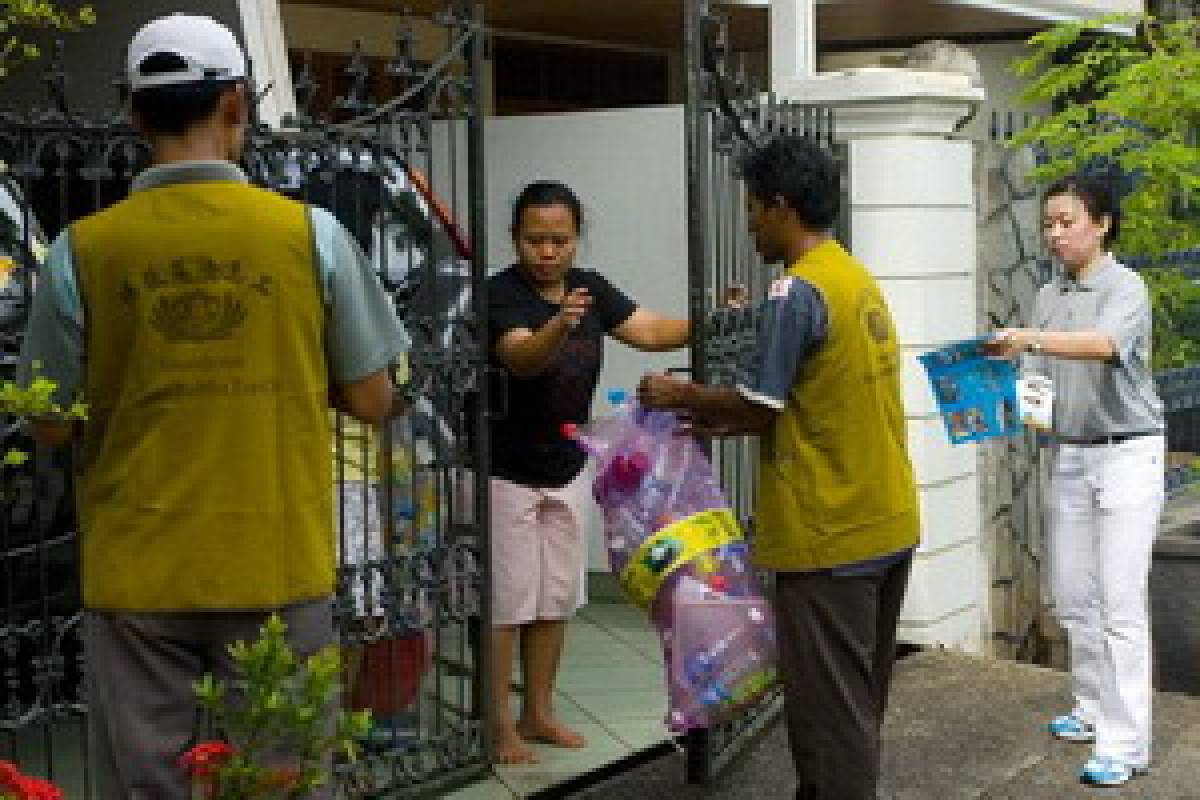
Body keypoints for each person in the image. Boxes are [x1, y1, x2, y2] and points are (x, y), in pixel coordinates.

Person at [17, 14, 406, 798]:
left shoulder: (80, 252)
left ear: (132, 112)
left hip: (136, 576)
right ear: (237, 103)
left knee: (141, 789)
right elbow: (374, 397)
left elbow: (49, 421)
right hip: (277, 562)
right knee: (285, 783)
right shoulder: (312, 235)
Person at [637, 133, 919, 800]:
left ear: (782, 206)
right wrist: (710, 416)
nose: (751, 223)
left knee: (830, 716)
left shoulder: (798, 290)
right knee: (856, 702)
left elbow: (761, 405)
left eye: (754, 208)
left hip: (830, 535)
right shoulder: (854, 276)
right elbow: (805, 404)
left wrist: (681, 396)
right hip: (886, 521)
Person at [486, 180, 690, 764]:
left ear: (576, 240)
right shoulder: (500, 294)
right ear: (516, 239)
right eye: (535, 240)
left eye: (559, 240)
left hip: (568, 464)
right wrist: (560, 325)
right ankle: (499, 725)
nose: (547, 252)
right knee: (508, 604)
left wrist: (712, 319)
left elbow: (649, 331)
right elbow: (519, 357)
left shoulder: (590, 289)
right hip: (505, 469)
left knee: (555, 597)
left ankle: (539, 712)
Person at [984, 174, 1164, 788]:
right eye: (1049, 224)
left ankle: (1128, 740)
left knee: (1119, 601)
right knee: (1072, 593)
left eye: (1068, 222)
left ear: (1103, 223)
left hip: (1128, 453)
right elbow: (1037, 381)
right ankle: (1091, 708)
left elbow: (1103, 344)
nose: (1055, 234)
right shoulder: (1047, 294)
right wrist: (993, 400)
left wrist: (1029, 338)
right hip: (1071, 452)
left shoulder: (1126, 287)